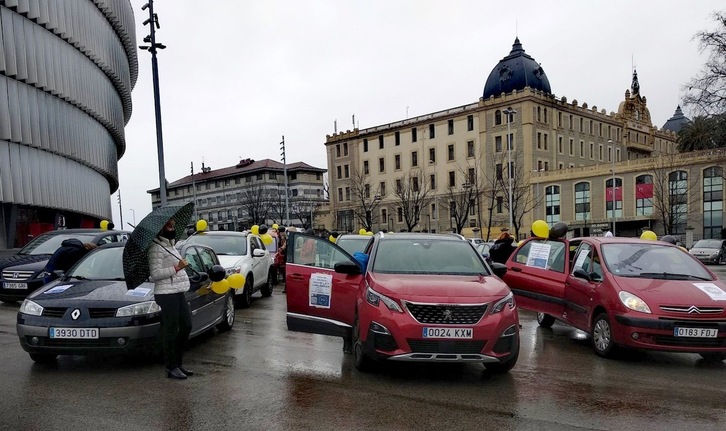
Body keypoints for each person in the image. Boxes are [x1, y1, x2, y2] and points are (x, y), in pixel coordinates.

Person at [148, 218, 193, 380]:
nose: (172, 228)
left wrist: (181, 266)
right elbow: (155, 275)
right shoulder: (156, 248)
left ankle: (178, 363)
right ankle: (171, 367)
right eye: (169, 226)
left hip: (178, 291)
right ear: (161, 228)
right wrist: (177, 267)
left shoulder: (170, 245)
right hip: (166, 294)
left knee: (187, 326)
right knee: (171, 330)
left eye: (173, 225)